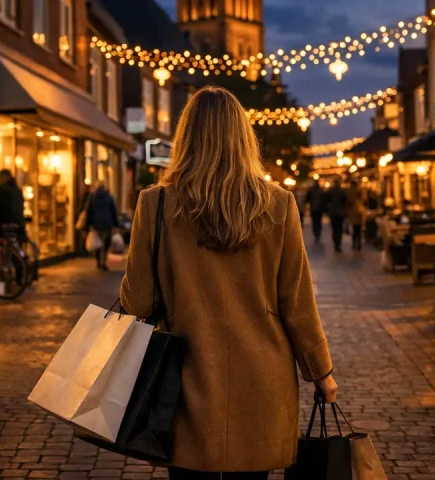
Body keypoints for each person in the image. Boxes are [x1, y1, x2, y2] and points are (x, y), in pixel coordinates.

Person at [120, 86, 337, 479]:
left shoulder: (156, 204)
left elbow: (136, 302)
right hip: (262, 381)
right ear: (243, 138)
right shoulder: (278, 204)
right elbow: (297, 303)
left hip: (184, 382)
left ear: (185, 138)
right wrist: (320, 371)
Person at [85, 181, 119, 270]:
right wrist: (116, 224)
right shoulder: (109, 197)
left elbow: (88, 211)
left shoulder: (92, 197)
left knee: (97, 243)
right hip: (108, 223)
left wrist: (89, 224)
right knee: (106, 244)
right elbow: (113, 211)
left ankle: (98, 261)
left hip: (96, 224)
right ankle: (103, 260)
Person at [0, 169, 25, 238]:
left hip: (7, 223)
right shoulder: (17, 189)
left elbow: (1, 208)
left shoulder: (3, 189)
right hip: (19, 223)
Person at [324, 179, 347, 252]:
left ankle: (336, 242)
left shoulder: (331, 191)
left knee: (334, 228)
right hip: (340, 213)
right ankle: (338, 244)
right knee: (339, 229)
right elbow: (345, 202)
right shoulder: (342, 191)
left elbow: (326, 200)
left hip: (333, 212)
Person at [345, 180, 367, 251]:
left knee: (355, 229)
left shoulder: (349, 191)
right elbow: (364, 199)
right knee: (358, 229)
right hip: (359, 212)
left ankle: (354, 244)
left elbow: (347, 201)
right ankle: (359, 244)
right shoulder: (360, 190)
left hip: (353, 212)